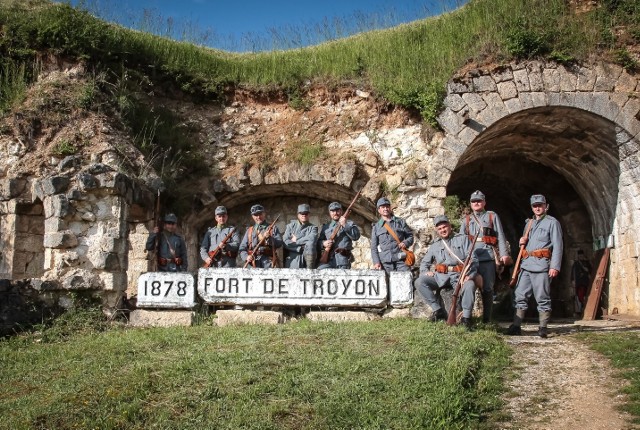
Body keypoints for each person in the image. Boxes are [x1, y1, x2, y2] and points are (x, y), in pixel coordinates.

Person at [508, 194, 563, 338]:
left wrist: (555, 266)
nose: (538, 208)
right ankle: (516, 326)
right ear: (532, 207)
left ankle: (543, 328)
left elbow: (558, 245)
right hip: (526, 265)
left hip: (541, 265)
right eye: (535, 206)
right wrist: (522, 242)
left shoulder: (552, 223)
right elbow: (527, 244)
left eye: (540, 205)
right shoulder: (529, 223)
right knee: (520, 295)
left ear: (546, 206)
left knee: (542, 297)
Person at [414, 215, 479, 330]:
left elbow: (474, 260)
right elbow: (425, 262)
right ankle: (438, 311)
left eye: (444, 227)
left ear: (449, 226)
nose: (443, 230)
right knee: (419, 282)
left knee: (470, 285)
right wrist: (425, 272)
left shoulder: (463, 239)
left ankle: (466, 319)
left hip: (460, 276)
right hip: (441, 277)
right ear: (436, 230)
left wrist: (470, 275)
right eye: (439, 229)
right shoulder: (435, 245)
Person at [460, 190, 511, 323]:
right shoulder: (466, 219)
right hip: (472, 258)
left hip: (487, 257)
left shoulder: (491, 216)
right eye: (473, 201)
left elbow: (500, 235)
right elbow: (460, 241)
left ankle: (487, 319)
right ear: (471, 204)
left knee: (488, 288)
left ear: (484, 202)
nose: (476, 203)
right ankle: (466, 317)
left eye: (479, 201)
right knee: (467, 284)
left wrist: (504, 254)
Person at [371, 197, 414, 273]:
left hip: (401, 260)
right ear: (379, 210)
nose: (385, 209)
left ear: (390, 208)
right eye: (383, 207)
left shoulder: (400, 222)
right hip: (386, 263)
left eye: (387, 206)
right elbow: (373, 248)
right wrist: (376, 262)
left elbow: (410, 236)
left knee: (404, 282)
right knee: (387, 284)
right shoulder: (376, 227)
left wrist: (405, 243)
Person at [317, 201, 361, 269]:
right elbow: (318, 242)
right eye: (332, 211)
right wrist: (324, 243)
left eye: (337, 210)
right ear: (329, 212)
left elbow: (356, 237)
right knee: (320, 270)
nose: (335, 213)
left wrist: (344, 225)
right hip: (328, 260)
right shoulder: (326, 227)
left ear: (341, 211)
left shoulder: (349, 224)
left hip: (343, 260)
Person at [239, 204, 283, 268]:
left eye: (260, 214)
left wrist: (269, 238)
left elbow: (279, 243)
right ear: (252, 216)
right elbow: (242, 249)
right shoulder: (249, 231)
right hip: (253, 263)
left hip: (268, 262)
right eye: (256, 215)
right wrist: (246, 257)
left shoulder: (273, 228)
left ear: (264, 214)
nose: (258, 217)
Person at [283, 204, 318, 269]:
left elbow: (312, 239)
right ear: (298, 215)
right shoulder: (290, 226)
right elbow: (285, 242)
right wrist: (300, 248)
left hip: (308, 260)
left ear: (309, 214)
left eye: (306, 213)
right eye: (302, 213)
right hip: (293, 259)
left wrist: (296, 240)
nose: (304, 215)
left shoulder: (313, 228)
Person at [571, 249, 592, 315]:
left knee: (585, 295)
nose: (580, 257)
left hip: (585, 281)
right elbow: (572, 272)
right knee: (579, 295)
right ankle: (580, 309)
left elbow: (590, 271)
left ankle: (585, 307)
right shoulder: (576, 263)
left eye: (581, 255)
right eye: (579, 255)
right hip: (578, 282)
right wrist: (572, 280)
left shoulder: (587, 263)